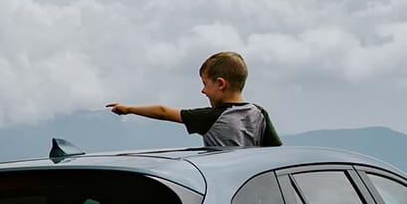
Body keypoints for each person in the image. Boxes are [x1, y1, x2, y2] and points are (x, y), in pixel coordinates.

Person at [107, 50, 281, 148]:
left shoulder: (211, 117)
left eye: (205, 84)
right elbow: (276, 151)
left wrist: (129, 109)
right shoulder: (259, 113)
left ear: (221, 84)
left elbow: (163, 112)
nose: (203, 91)